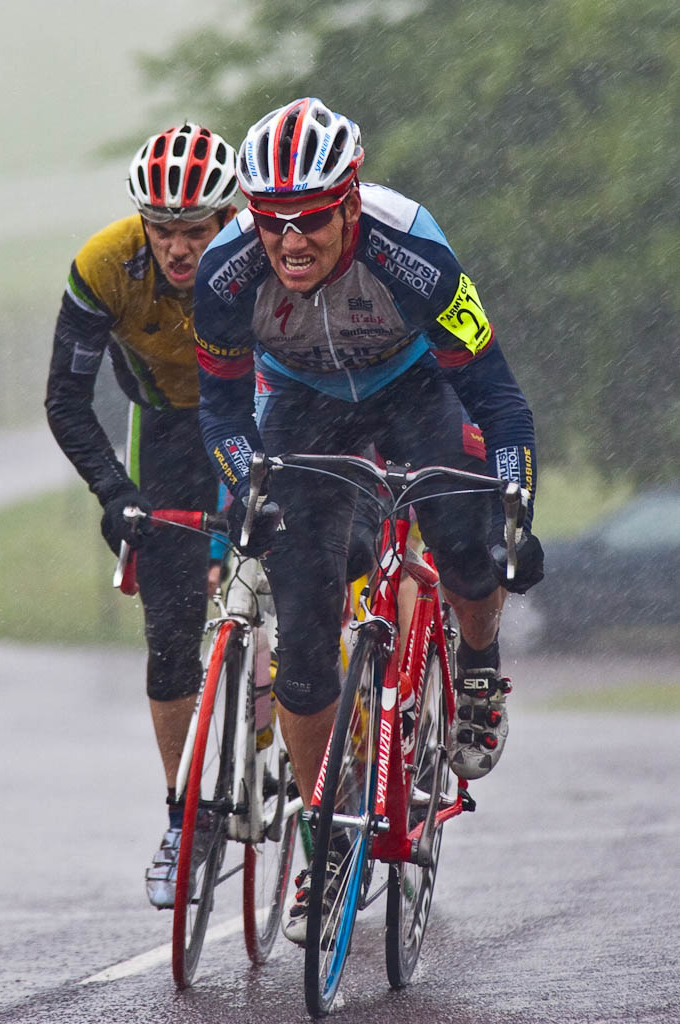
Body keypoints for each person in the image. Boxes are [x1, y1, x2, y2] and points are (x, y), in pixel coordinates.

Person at [192, 97, 544, 943]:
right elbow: (221, 408)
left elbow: (493, 389)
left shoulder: (411, 251)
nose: (290, 240)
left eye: (311, 218)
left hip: (415, 390)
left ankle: (480, 665)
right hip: (303, 405)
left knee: (466, 544)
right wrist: (246, 486)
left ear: (350, 201)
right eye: (271, 221)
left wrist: (516, 505)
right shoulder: (225, 275)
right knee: (307, 647)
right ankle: (327, 832)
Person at [45, 123, 238, 909]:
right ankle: (182, 817)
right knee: (169, 635)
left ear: (229, 219)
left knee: (307, 569)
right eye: (162, 230)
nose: (178, 248)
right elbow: (63, 398)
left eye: (195, 231)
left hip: (265, 412)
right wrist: (113, 492)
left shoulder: (266, 258)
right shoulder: (105, 265)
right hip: (166, 428)